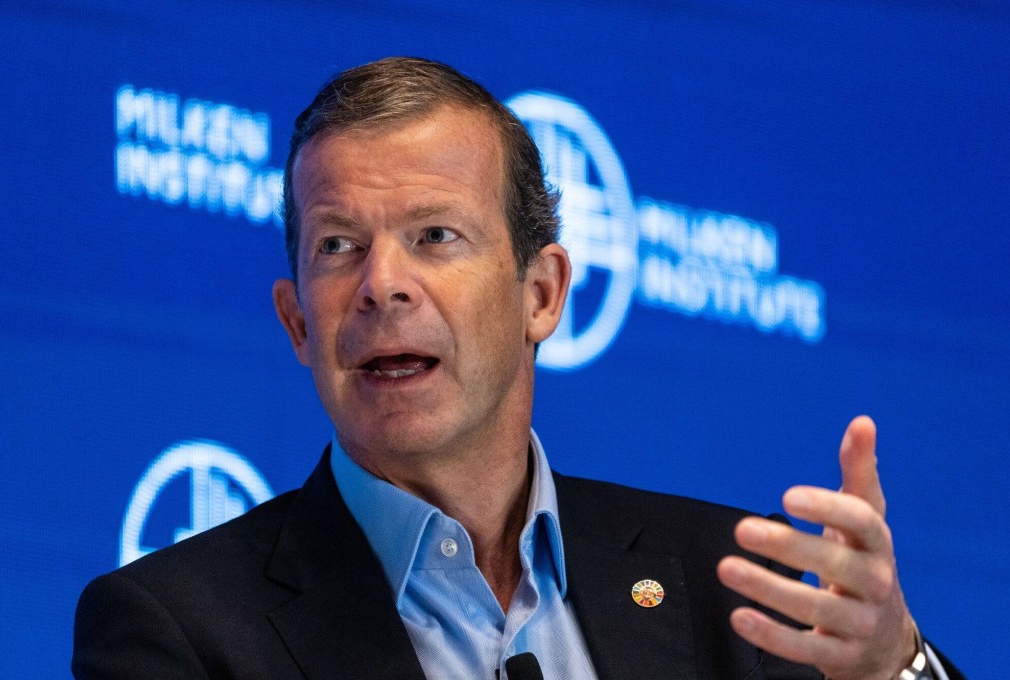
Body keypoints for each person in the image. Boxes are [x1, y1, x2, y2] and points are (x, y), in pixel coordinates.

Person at [73, 57, 962, 680]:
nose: (382, 285)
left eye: (435, 237)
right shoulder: (175, 632)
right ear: (297, 321)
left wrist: (893, 665)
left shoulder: (731, 586)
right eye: (339, 246)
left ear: (541, 293)